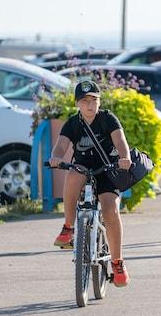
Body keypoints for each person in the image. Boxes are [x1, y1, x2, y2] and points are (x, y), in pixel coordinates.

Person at [50, 80, 133, 287]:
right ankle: (69, 227)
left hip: (107, 169)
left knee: (110, 209)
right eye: (85, 100)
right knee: (72, 175)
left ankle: (117, 262)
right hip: (84, 168)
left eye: (94, 100)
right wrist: (56, 158)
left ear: (99, 101)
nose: (89, 104)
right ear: (77, 104)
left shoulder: (108, 119)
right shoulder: (73, 123)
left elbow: (121, 141)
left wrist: (124, 157)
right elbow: (60, 146)